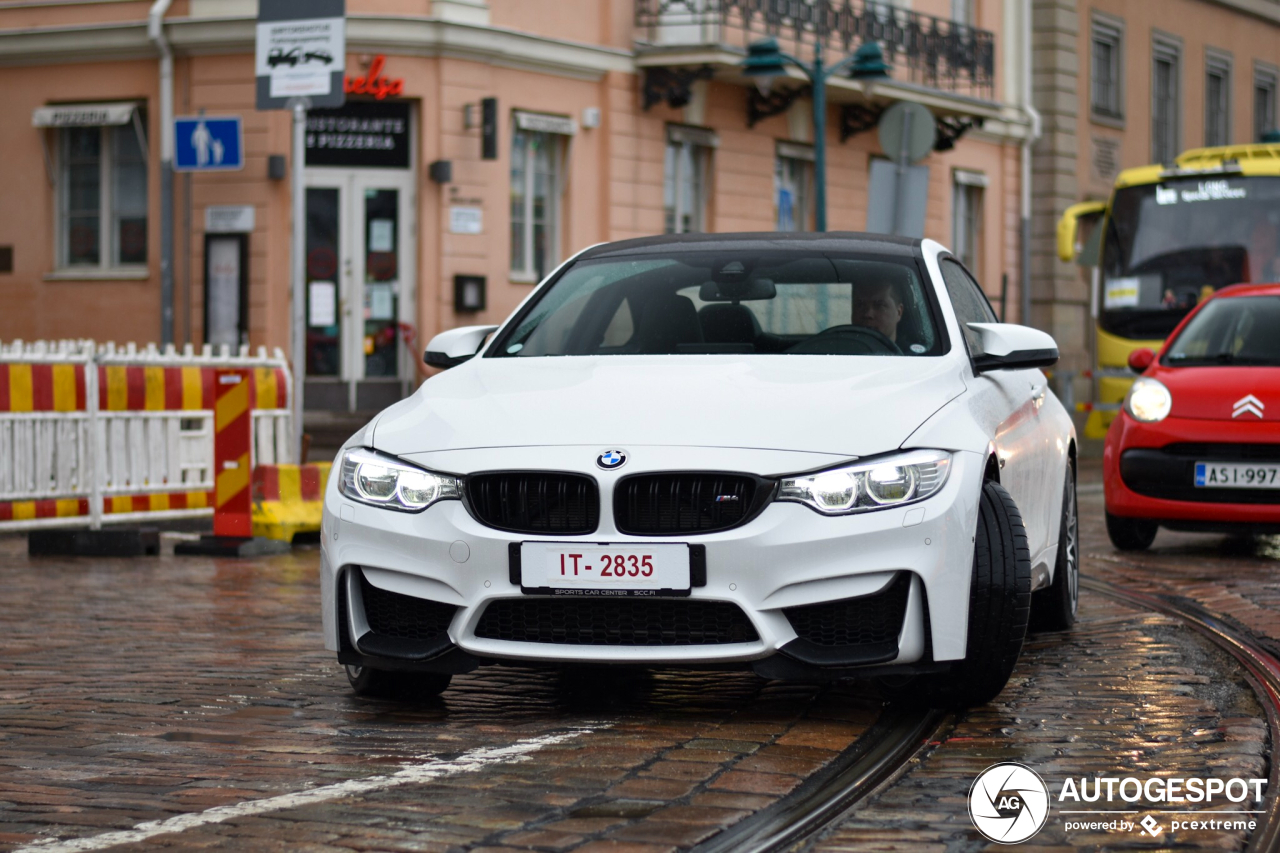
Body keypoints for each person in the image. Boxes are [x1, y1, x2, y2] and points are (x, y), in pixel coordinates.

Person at [850, 279, 905, 343]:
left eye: (879, 305)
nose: (868, 314)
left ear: (899, 312)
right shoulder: (839, 350)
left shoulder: (909, 353)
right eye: (860, 305)